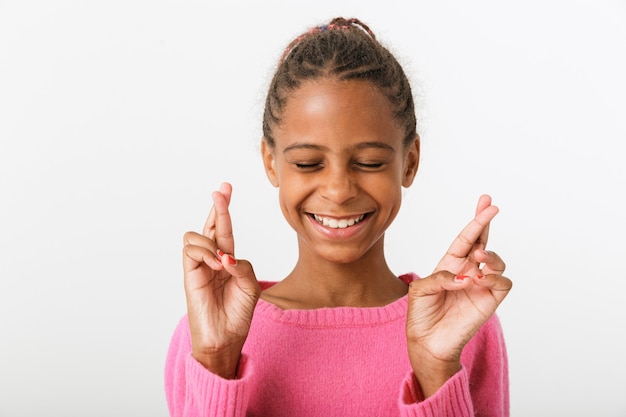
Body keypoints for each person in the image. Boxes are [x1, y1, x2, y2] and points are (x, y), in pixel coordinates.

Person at [165, 17, 512, 417]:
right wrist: (215, 359)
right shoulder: (205, 334)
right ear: (271, 163)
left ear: (409, 162)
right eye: (309, 163)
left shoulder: (464, 326)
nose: (338, 189)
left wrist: (436, 370)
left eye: (369, 161)